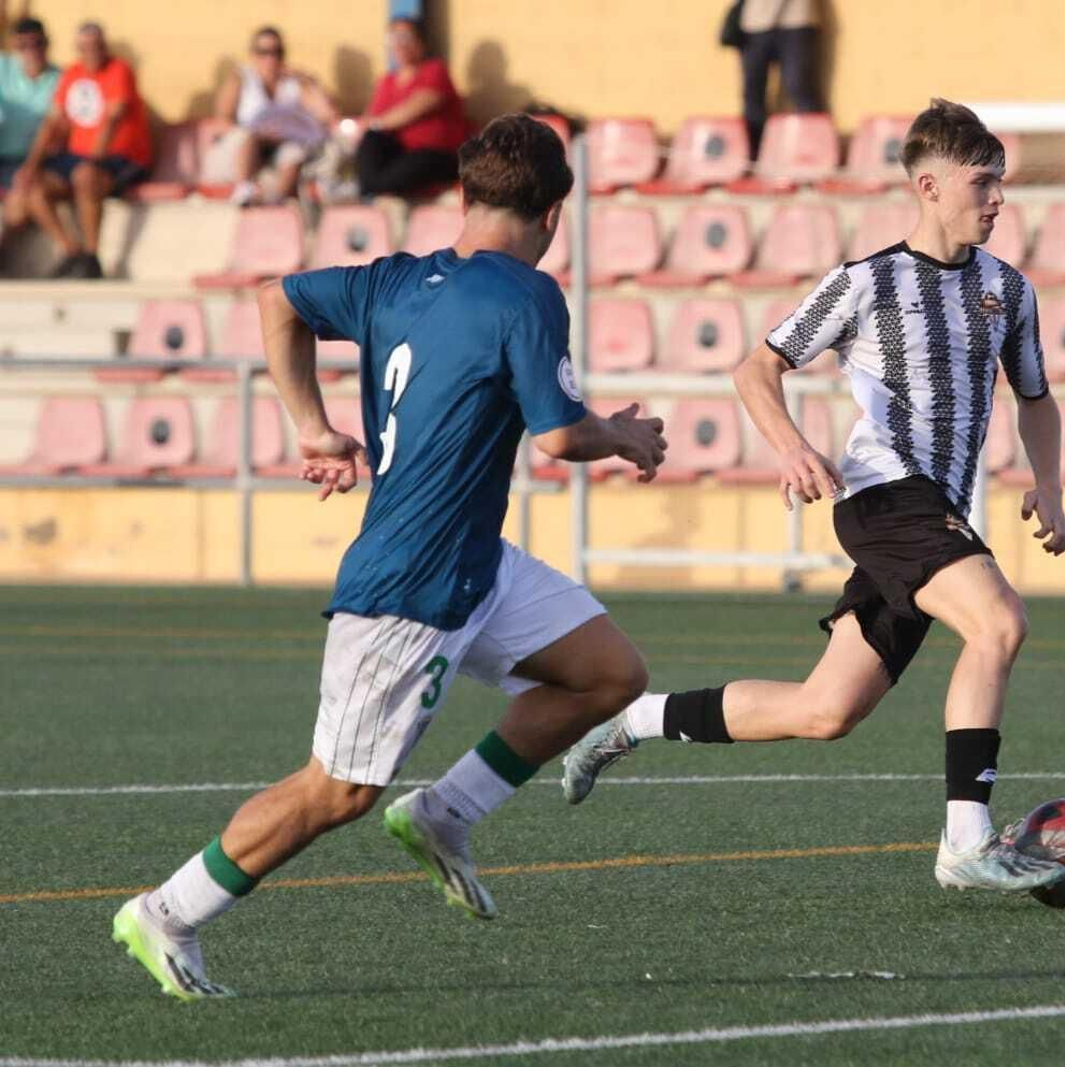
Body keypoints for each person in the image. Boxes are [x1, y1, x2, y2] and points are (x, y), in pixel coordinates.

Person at [111, 113, 669, 1000]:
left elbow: (276, 299)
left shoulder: (395, 280)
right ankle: (167, 910)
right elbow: (561, 435)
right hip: (412, 582)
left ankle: (445, 812)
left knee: (607, 673)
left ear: (465, 194)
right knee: (336, 791)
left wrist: (311, 425)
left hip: (474, 560)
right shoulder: (528, 293)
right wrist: (629, 435)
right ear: (555, 213)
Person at [563, 99, 1065, 894]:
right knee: (1000, 620)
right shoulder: (865, 283)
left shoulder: (1008, 291)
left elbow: (1036, 398)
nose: (998, 198)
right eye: (983, 182)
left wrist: (1050, 484)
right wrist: (794, 447)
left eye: (1002, 181)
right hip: (884, 497)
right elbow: (756, 368)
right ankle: (965, 840)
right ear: (929, 185)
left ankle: (634, 720)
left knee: (824, 710)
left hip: (935, 512)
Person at [10, 21, 149, 278]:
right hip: (79, 157)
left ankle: (92, 256)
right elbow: (52, 122)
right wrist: (30, 166)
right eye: (85, 47)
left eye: (96, 46)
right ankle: (71, 251)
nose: (91, 52)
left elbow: (112, 118)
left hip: (118, 157)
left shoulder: (118, 70)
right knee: (32, 186)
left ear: (104, 46)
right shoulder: (72, 74)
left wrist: (94, 159)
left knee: (86, 175)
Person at [211, 26, 336, 205]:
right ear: (253, 54)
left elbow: (327, 114)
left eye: (277, 52)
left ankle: (275, 204)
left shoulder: (293, 83)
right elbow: (222, 120)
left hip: (281, 143)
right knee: (249, 138)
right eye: (264, 52)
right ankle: (245, 188)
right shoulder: (241, 78)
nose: (271, 58)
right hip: (246, 143)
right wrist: (260, 134)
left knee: (293, 153)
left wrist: (308, 79)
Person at [356, 16, 468, 198]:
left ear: (421, 42)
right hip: (399, 154)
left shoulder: (434, 70)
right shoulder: (387, 81)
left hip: (434, 155)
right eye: (393, 38)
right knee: (371, 139)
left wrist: (376, 124)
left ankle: (373, 189)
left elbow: (417, 106)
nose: (399, 44)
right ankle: (371, 188)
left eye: (405, 37)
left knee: (403, 162)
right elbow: (368, 121)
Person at [738, 0, 825, 155]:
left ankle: (815, 153)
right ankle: (755, 156)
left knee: (799, 87)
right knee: (752, 93)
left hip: (796, 19)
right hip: (754, 22)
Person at [0, 16, 59, 208]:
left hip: (36, 163)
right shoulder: (3, 67)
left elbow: (53, 127)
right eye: (23, 45)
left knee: (20, 206)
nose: (31, 51)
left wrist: (29, 168)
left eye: (37, 43)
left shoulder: (62, 79)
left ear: (47, 43)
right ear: (14, 46)